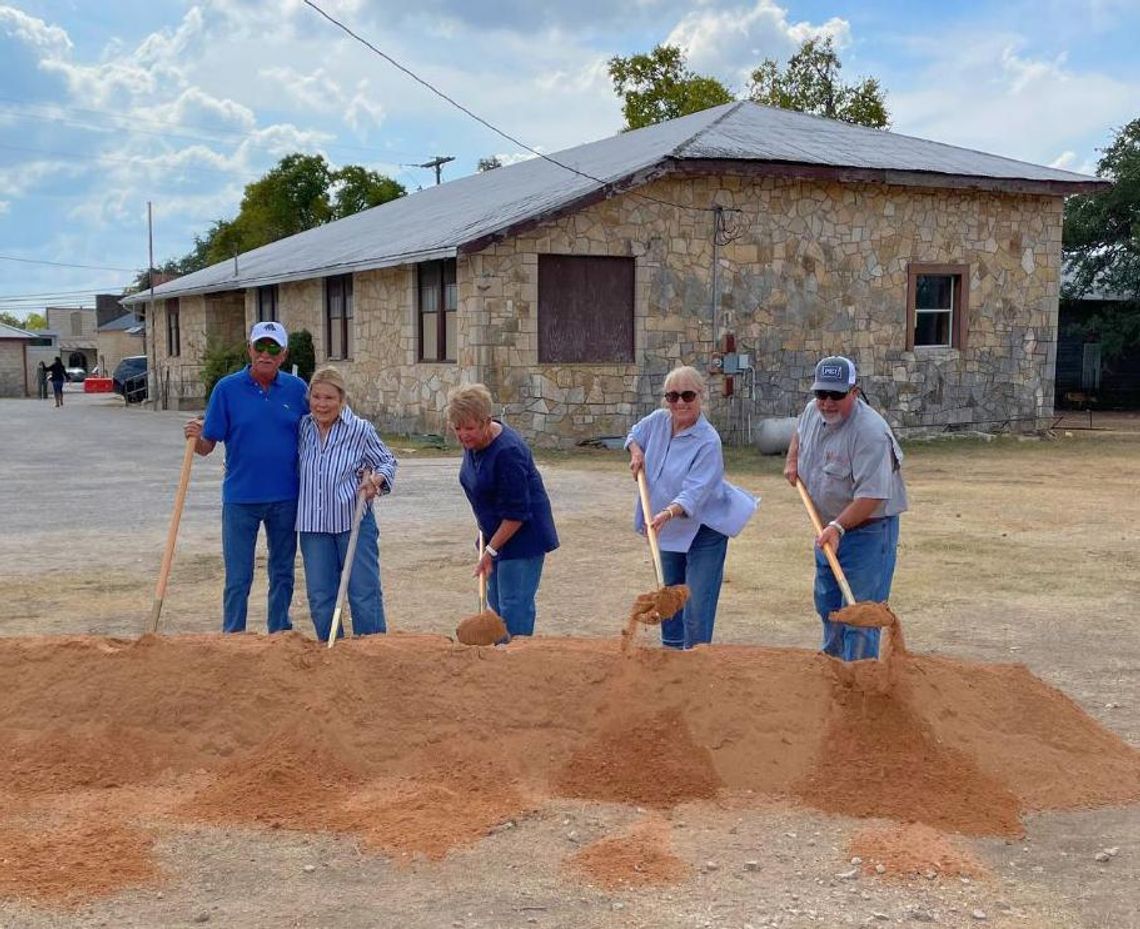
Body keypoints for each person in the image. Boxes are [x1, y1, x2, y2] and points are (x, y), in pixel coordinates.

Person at [184, 321, 308, 634]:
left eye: (273, 349)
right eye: (260, 347)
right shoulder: (226, 389)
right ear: (249, 349)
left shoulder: (298, 390)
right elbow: (207, 445)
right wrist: (194, 438)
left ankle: (279, 631)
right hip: (241, 498)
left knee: (282, 572)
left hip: (287, 497)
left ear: (283, 354)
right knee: (238, 576)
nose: (265, 354)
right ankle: (233, 636)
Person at [783, 355, 908, 661]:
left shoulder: (870, 433)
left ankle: (860, 679)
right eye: (821, 394)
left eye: (836, 395)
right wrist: (792, 459)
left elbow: (873, 496)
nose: (827, 403)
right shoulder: (813, 412)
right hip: (827, 526)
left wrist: (838, 527)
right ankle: (834, 670)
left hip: (868, 532)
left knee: (859, 613)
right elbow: (800, 433)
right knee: (828, 604)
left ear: (854, 391)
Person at [625, 365, 757, 649]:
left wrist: (668, 513)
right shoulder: (658, 421)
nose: (680, 403)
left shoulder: (708, 441)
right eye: (673, 396)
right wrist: (636, 453)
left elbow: (693, 494)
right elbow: (634, 435)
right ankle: (672, 655)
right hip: (668, 526)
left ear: (701, 396)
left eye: (687, 395)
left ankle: (696, 660)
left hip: (704, 529)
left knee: (695, 600)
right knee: (669, 593)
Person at [446, 383, 559, 638]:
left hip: (523, 537)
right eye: (458, 428)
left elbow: (517, 514)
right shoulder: (473, 444)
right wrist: (487, 543)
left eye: (469, 428)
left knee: (514, 606)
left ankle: (517, 661)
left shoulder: (508, 452)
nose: (463, 435)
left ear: (486, 422)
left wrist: (490, 551)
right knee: (496, 605)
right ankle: (498, 662)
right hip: (494, 535)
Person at [297, 366, 397, 642]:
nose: (321, 404)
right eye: (316, 397)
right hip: (312, 525)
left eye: (329, 398)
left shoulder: (360, 430)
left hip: (352, 521)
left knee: (363, 592)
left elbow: (387, 461)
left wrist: (375, 481)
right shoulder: (303, 428)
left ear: (342, 400)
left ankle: (373, 651)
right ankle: (334, 653)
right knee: (320, 596)